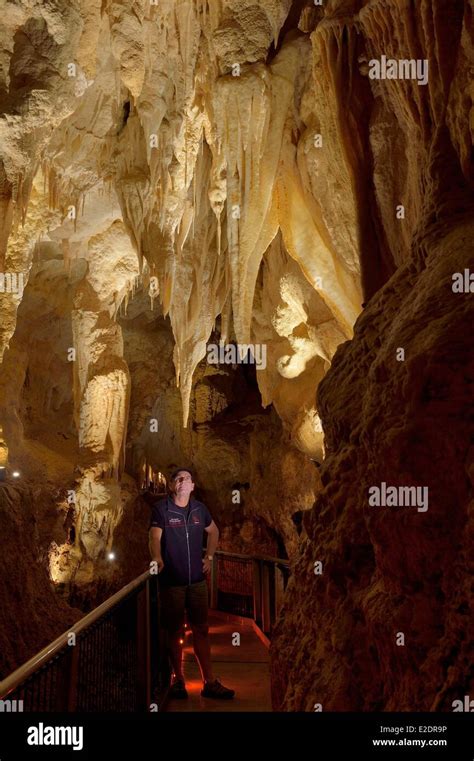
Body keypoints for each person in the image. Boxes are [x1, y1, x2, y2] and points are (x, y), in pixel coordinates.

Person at [148, 467, 235, 700]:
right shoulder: (161, 509)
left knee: (201, 630)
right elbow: (154, 536)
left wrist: (209, 557)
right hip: (173, 582)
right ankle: (177, 679)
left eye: (187, 479)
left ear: (193, 486)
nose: (182, 482)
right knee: (175, 631)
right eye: (178, 478)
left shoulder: (199, 509)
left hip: (197, 581)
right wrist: (157, 557)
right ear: (172, 485)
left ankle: (210, 681)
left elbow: (214, 531)